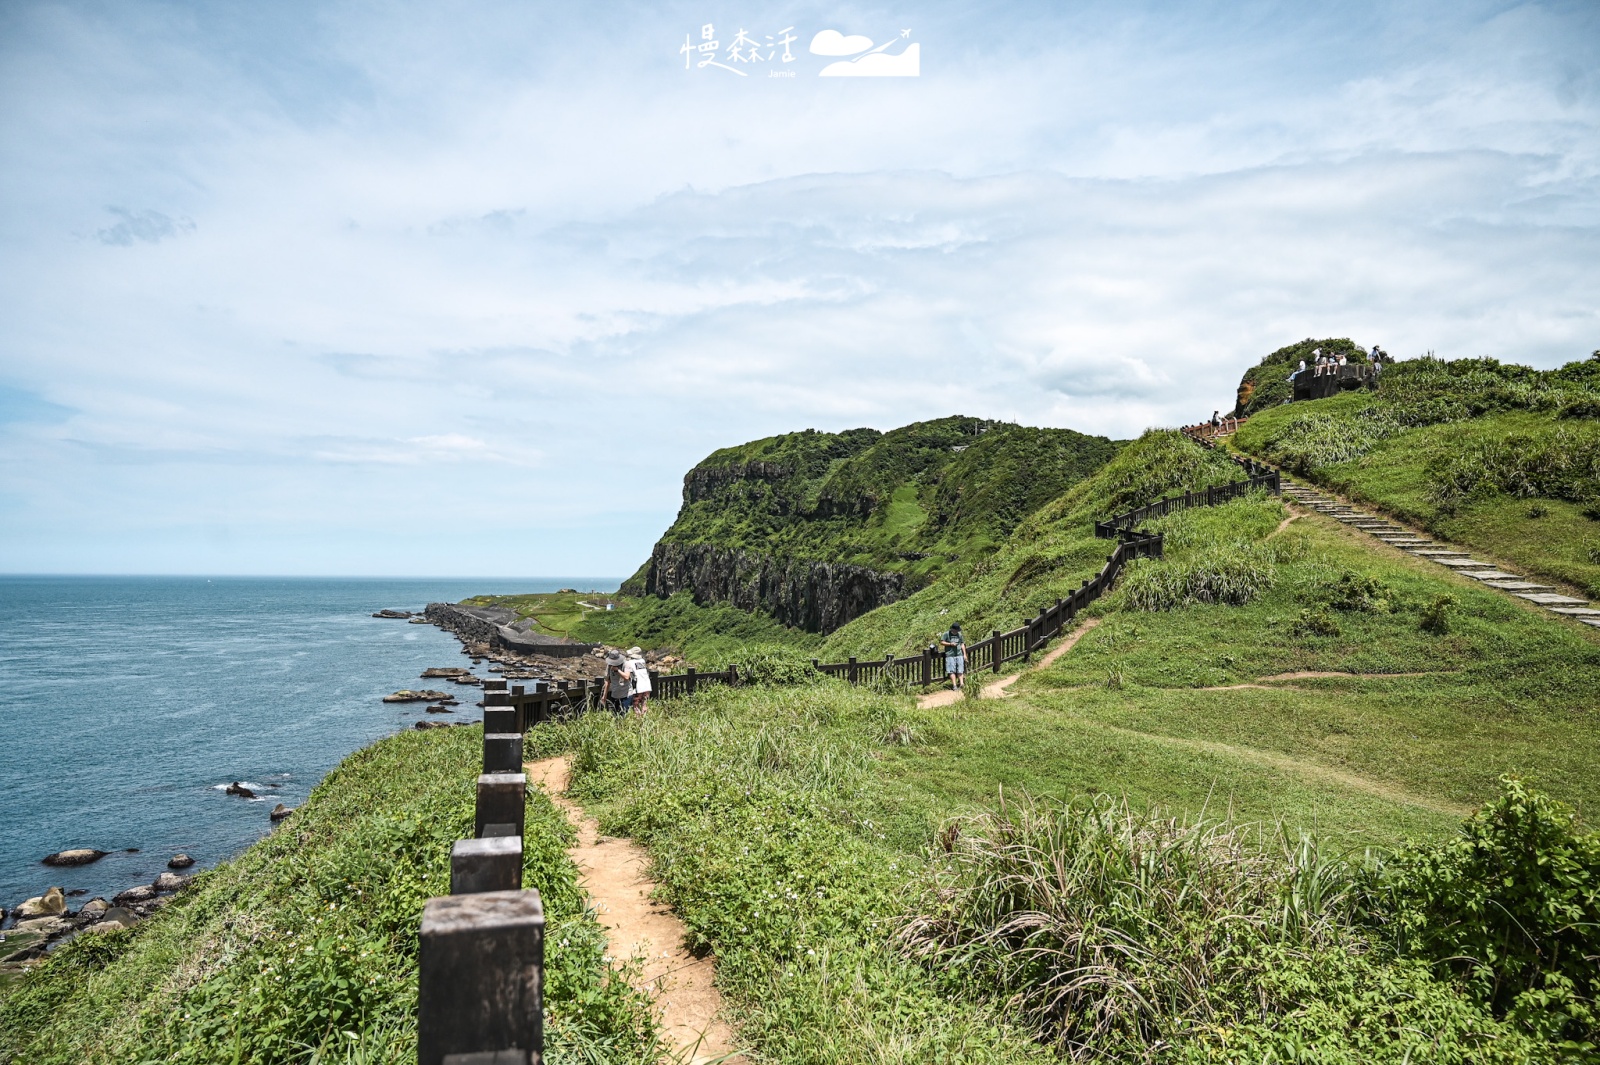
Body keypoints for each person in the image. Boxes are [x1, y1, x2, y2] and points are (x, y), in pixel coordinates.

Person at [603, 650, 631, 715]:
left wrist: (617, 670)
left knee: (623, 715)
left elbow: (627, 677)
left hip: (626, 694)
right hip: (614, 694)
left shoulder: (626, 664)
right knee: (615, 715)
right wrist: (604, 696)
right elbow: (607, 680)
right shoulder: (609, 666)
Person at [940, 623, 966, 690]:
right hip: (950, 655)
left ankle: (961, 684)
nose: (956, 632)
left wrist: (964, 654)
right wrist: (950, 644)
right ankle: (954, 685)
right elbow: (942, 642)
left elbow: (962, 644)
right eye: (955, 630)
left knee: (960, 669)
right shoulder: (946, 634)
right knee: (951, 670)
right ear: (952, 629)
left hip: (959, 654)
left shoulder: (959, 635)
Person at [626, 645, 651, 715]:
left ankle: (639, 722)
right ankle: (646, 719)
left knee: (636, 705)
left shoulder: (630, 662)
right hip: (647, 686)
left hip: (638, 687)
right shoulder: (642, 661)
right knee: (644, 704)